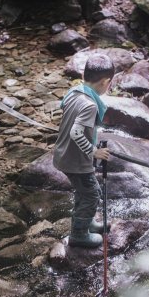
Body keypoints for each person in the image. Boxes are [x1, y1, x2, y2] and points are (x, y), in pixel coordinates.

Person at [53, 54, 113, 248]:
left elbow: (65, 112)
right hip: (76, 161)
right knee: (91, 194)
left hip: (65, 154)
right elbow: (76, 132)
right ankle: (78, 234)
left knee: (84, 191)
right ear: (105, 82)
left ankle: (86, 222)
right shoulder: (90, 104)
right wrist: (94, 151)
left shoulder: (75, 92)